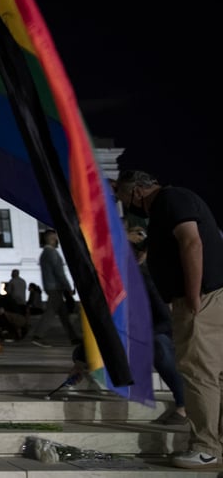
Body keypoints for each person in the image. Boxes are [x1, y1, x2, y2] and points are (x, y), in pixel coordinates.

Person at [115, 170, 223, 468]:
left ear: (137, 191)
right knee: (214, 374)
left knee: (199, 373)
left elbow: (192, 243)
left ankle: (207, 448)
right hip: (210, 297)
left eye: (124, 198)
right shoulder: (174, 201)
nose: (126, 205)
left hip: (203, 299)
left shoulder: (169, 199)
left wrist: (192, 297)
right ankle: (215, 444)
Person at [127, 223, 187, 426]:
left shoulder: (146, 276)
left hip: (161, 330)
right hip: (131, 333)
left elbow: (165, 319)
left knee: (159, 345)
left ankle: (184, 405)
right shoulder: (111, 281)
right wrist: (81, 356)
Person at [30, 229, 81, 348]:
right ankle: (38, 336)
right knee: (50, 312)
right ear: (52, 239)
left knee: (63, 314)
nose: (57, 240)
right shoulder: (52, 253)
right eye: (55, 238)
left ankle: (73, 338)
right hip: (55, 287)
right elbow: (59, 272)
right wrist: (67, 286)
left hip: (51, 286)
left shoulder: (44, 254)